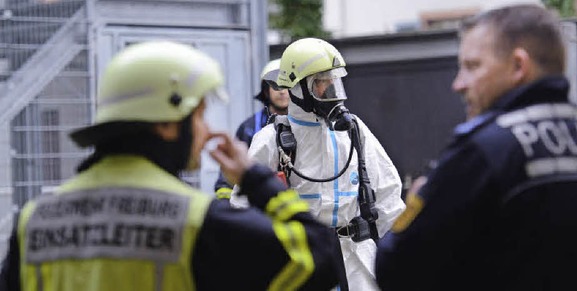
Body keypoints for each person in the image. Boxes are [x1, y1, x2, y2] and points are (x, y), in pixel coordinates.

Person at [0, 40, 343, 291]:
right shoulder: (196, 221)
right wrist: (256, 179)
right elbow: (318, 258)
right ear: (166, 123)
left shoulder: (33, 221)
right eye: (199, 116)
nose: (207, 130)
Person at [375, 4, 577, 291]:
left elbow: (397, 269)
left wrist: (418, 202)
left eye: (472, 66)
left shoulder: (485, 151)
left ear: (518, 66)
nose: (458, 84)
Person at [232, 37, 405, 291]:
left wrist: (403, 250)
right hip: (301, 262)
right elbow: (242, 206)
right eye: (321, 83)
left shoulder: (353, 130)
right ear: (298, 88)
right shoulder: (271, 139)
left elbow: (388, 193)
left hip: (357, 262)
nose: (331, 91)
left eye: (334, 81)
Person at [214, 58, 289, 199]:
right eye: (276, 86)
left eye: (286, 86)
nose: (282, 92)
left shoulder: (304, 125)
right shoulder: (248, 128)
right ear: (266, 91)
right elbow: (228, 175)